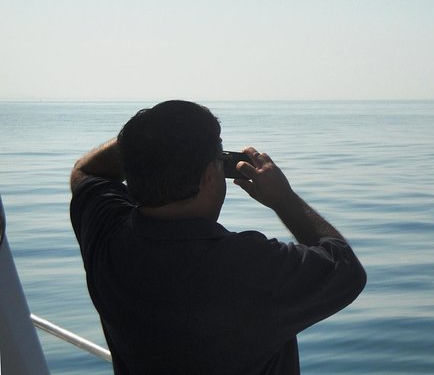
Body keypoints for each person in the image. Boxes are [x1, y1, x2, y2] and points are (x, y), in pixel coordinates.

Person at [69, 100, 366, 374]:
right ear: (211, 175)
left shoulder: (107, 236)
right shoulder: (250, 267)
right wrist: (283, 199)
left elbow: (86, 173)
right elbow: (346, 268)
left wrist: (147, 141)